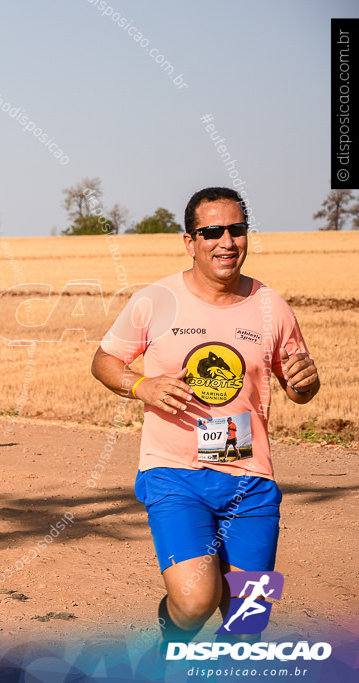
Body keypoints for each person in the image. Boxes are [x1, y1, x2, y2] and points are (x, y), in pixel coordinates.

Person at [90, 187, 319, 646]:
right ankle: (167, 640)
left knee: (248, 620)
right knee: (196, 599)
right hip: (174, 473)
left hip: (250, 479)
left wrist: (306, 384)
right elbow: (104, 361)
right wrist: (142, 386)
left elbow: (301, 389)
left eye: (237, 230)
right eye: (212, 231)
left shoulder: (272, 306)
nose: (227, 241)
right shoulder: (156, 301)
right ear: (189, 241)